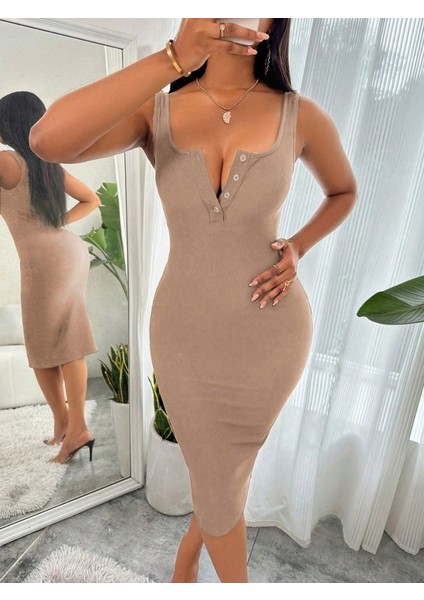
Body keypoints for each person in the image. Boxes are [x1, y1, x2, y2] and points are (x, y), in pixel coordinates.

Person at [29, 18, 357, 582]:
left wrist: (299, 246)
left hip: (271, 333)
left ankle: (190, 556)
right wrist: (173, 58)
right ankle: (193, 556)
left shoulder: (300, 115)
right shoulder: (155, 112)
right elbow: (46, 140)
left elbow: (344, 191)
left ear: (275, 19)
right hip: (184, 335)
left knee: (225, 473)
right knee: (219, 474)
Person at [0, 91, 100, 464]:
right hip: (63, 254)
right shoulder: (46, 164)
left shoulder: (5, 161)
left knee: (60, 342)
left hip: (46, 263)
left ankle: (78, 429)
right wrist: (58, 222)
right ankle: (63, 423)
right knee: (45, 344)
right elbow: (92, 199)